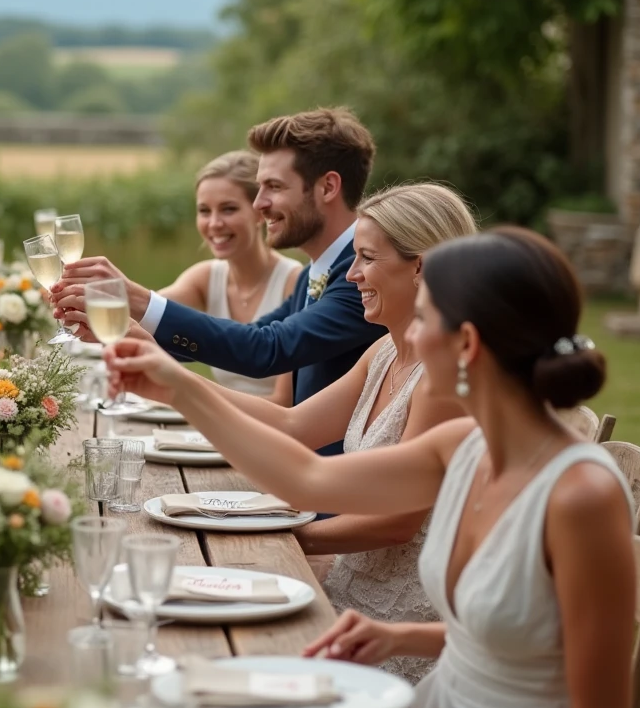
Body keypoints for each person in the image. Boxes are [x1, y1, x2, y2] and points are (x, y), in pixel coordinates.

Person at [104, 227, 633, 708]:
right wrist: (177, 387)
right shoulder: (462, 447)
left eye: (424, 317)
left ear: (467, 344)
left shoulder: (580, 496)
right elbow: (306, 478)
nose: (413, 335)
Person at [161, 182, 475, 681]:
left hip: (392, 620)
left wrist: (291, 542)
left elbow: (398, 522)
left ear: (420, 266)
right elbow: (292, 425)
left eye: (367, 258)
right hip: (347, 589)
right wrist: (171, 380)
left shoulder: (441, 382)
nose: (352, 275)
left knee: (209, 653)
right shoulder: (384, 352)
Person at [53, 107, 385, 455]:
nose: (259, 204)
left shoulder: (361, 275)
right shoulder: (314, 274)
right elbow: (246, 339)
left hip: (336, 490)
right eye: (259, 188)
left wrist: (138, 300)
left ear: (328, 187)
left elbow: (266, 349)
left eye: (273, 187)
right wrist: (122, 331)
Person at [151, 150, 301, 401]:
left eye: (228, 209)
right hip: (221, 426)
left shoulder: (294, 283)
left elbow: (284, 403)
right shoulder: (204, 278)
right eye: (204, 211)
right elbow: (146, 314)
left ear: (259, 212)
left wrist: (196, 398)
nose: (214, 223)